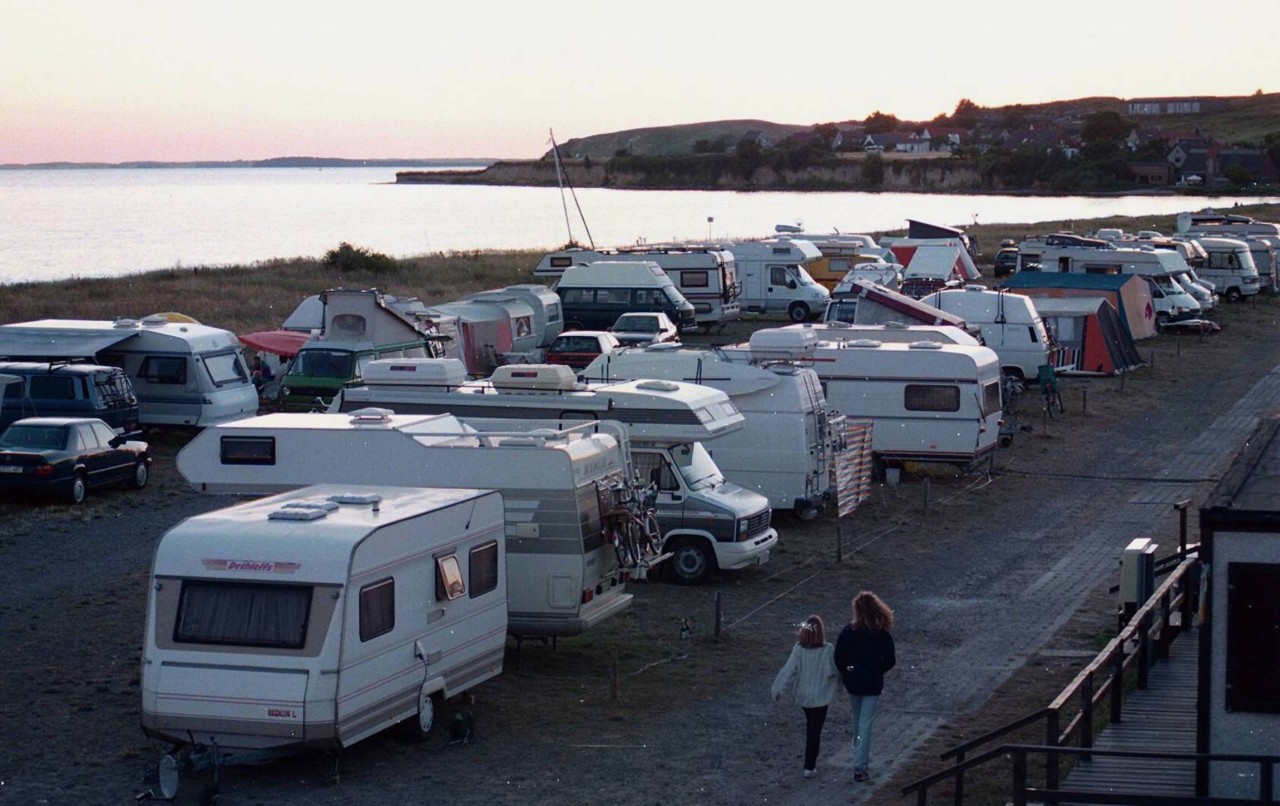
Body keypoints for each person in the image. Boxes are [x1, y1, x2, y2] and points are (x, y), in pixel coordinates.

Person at [834, 591, 896, 783]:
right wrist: (876, 670)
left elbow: (839, 658)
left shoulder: (848, 632)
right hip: (872, 683)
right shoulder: (882, 635)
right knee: (865, 724)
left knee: (858, 722)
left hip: (853, 683)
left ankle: (859, 758)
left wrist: (850, 672)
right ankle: (860, 765)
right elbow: (891, 661)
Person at [771, 615, 839, 779]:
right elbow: (833, 671)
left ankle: (810, 763)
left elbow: (789, 669)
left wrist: (777, 689)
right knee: (814, 731)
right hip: (820, 697)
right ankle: (809, 765)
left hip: (803, 695)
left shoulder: (798, 649)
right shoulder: (828, 650)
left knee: (811, 727)